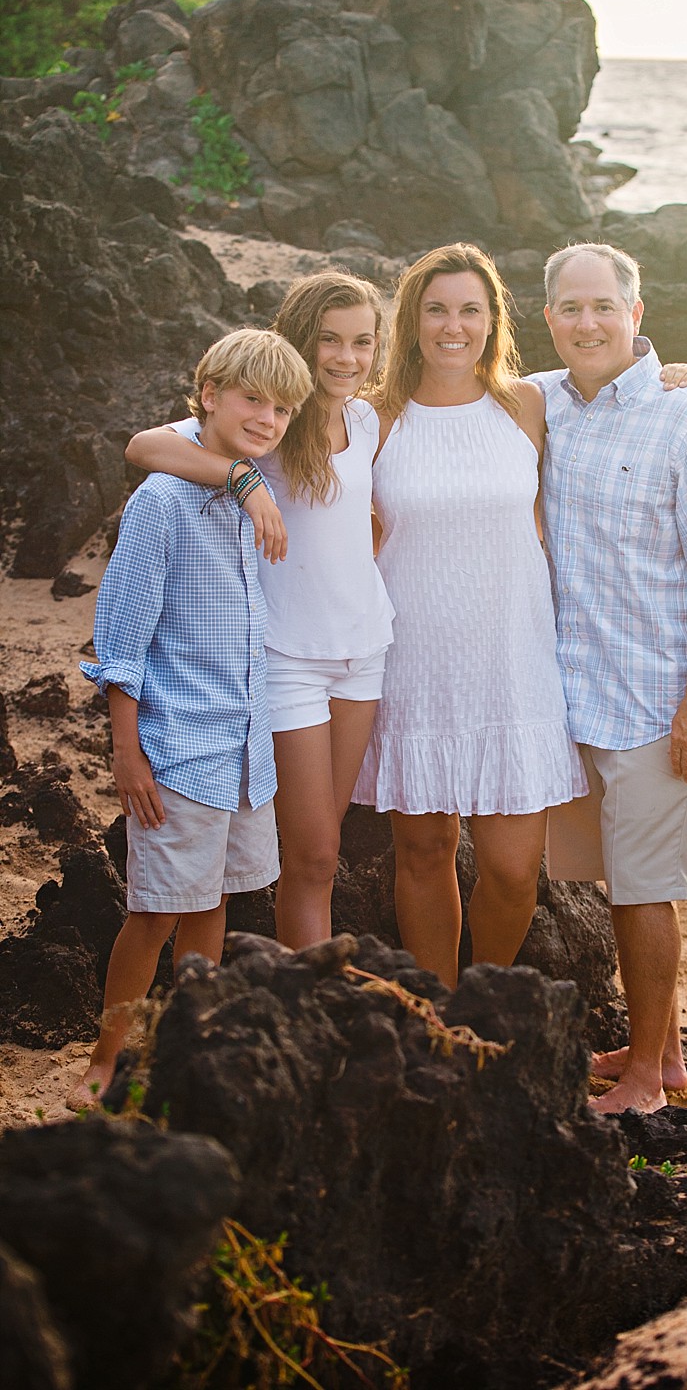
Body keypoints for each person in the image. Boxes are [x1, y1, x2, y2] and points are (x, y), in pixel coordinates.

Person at [532, 242, 687, 1115]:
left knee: (645, 892)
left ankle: (647, 1084)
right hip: (573, 692)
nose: (587, 322)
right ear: (548, 317)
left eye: (603, 306)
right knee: (607, 879)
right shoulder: (543, 403)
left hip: (659, 701)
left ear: (637, 312)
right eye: (569, 307)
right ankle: (657, 1051)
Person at [70, 329, 312, 1107]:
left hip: (246, 748)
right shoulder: (162, 504)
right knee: (156, 912)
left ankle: (188, 1044)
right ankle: (105, 1056)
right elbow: (124, 635)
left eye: (281, 409)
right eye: (252, 400)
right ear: (208, 396)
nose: (268, 419)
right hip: (176, 747)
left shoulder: (248, 495)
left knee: (215, 905)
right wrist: (127, 752)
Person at [126, 273, 395, 951]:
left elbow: (472, 402)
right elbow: (143, 447)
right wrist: (244, 480)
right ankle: (304, 1005)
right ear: (300, 341)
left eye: (362, 342)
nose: (345, 357)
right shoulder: (271, 419)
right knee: (309, 855)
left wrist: (677, 371)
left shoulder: (367, 418)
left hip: (363, 653)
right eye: (329, 340)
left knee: (324, 854)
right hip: (284, 660)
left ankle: (308, 1004)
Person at [353, 244, 587, 987]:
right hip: (413, 661)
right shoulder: (374, 417)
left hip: (513, 663)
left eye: (469, 311)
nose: (453, 327)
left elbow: (622, 385)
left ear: (492, 321)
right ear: (411, 320)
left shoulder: (529, 403)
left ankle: (485, 996)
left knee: (516, 871)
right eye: (436, 310)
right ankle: (437, 1012)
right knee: (423, 854)